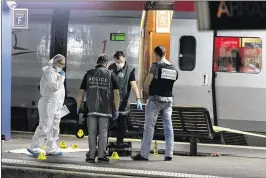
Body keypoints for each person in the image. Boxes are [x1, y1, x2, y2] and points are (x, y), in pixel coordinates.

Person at [132, 45, 178, 161]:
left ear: (156, 55)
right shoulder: (173, 68)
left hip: (155, 100)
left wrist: (148, 95)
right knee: (168, 127)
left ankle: (144, 154)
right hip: (168, 101)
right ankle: (169, 153)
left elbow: (147, 83)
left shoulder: (156, 66)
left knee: (149, 127)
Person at [76, 54, 120, 163]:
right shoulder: (110, 75)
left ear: (97, 62)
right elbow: (116, 93)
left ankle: (91, 156)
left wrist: (78, 106)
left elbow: (81, 91)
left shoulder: (89, 74)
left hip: (91, 108)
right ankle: (101, 155)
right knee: (103, 132)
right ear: (106, 63)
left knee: (92, 133)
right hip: (105, 109)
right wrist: (116, 109)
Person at [27, 54, 66, 157]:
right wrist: (62, 78)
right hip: (48, 102)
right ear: (55, 62)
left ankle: (51, 147)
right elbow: (54, 87)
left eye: (63, 64)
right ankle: (35, 147)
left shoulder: (57, 73)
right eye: (61, 63)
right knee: (45, 125)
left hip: (56, 104)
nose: (62, 66)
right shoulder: (49, 71)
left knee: (54, 126)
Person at [108, 51, 142, 145]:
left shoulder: (130, 70)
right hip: (111, 102)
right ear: (114, 60)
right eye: (117, 62)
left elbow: (134, 85)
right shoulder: (110, 68)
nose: (119, 64)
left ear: (124, 59)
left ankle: (120, 143)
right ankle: (104, 144)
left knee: (121, 125)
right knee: (107, 125)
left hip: (123, 103)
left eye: (121, 61)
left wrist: (138, 99)